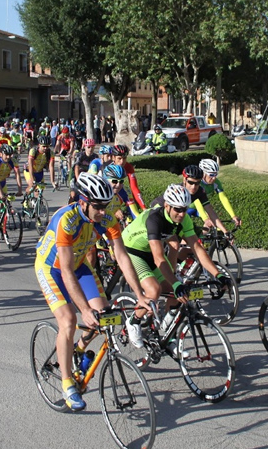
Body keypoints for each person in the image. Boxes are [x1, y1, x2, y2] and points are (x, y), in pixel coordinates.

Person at [34, 173, 149, 411]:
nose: (102, 211)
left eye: (105, 206)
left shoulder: (106, 219)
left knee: (103, 315)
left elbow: (121, 256)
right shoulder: (67, 220)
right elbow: (65, 271)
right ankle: (67, 384)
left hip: (78, 265)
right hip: (51, 268)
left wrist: (139, 294)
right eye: (97, 206)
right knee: (69, 320)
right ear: (83, 201)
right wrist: (84, 310)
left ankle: (78, 349)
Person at [122, 184, 229, 349]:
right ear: (167, 206)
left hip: (150, 251)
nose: (181, 214)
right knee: (154, 290)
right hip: (133, 250)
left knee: (177, 294)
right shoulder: (154, 219)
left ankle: (167, 336)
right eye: (177, 210)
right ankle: (133, 321)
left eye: (184, 209)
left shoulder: (184, 219)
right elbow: (158, 259)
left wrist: (218, 275)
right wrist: (176, 283)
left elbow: (198, 249)